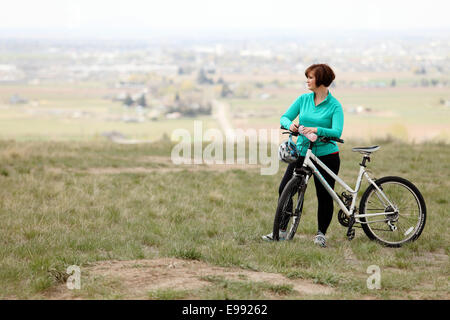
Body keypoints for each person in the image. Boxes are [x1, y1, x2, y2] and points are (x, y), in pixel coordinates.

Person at [262, 64, 344, 247]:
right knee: (285, 189)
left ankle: (321, 235)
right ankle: (281, 231)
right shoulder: (303, 99)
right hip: (302, 152)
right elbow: (285, 117)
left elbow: (337, 131)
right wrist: (290, 125)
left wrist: (317, 129)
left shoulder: (335, 106)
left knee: (324, 195)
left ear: (321, 80)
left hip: (327, 155)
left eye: (310, 77)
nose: (307, 80)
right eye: (307, 77)